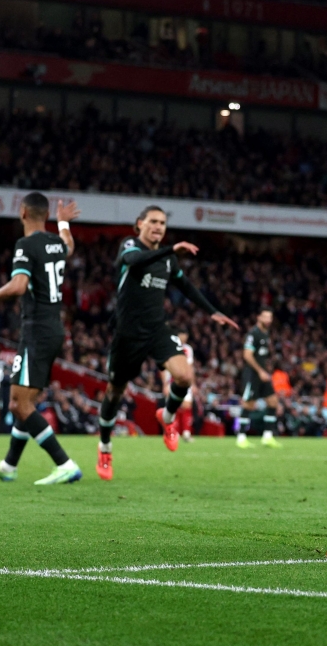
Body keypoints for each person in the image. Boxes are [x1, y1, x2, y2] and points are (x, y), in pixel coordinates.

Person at [96, 205, 238, 480]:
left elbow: (185, 285)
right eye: (153, 221)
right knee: (114, 392)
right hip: (128, 334)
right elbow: (134, 260)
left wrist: (212, 311)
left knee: (184, 376)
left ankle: (168, 416)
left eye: (162, 223)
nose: (158, 227)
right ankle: (104, 448)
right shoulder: (130, 246)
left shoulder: (168, 260)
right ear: (140, 224)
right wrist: (171, 249)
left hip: (157, 329)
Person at [0, 192, 82, 484]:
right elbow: (69, 245)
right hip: (54, 329)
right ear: (45, 215)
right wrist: (63, 224)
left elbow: (19, 285)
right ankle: (9, 466)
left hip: (36, 331)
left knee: (18, 405)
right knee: (24, 403)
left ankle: (65, 464)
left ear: (22, 213)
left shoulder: (25, 244)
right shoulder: (56, 242)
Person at [236, 307, 280, 448]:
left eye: (270, 317)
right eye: (265, 317)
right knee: (249, 404)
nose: (268, 320)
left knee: (273, 402)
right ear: (258, 317)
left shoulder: (265, 334)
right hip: (252, 374)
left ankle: (267, 436)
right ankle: (241, 437)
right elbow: (247, 355)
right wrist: (260, 371)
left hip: (263, 374)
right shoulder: (253, 334)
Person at [162, 326, 196, 443]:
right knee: (173, 407)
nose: (184, 339)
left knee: (187, 405)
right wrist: (165, 384)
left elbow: (190, 367)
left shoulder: (188, 349)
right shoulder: (169, 347)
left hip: (185, 381)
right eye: (183, 337)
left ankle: (186, 433)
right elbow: (163, 368)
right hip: (171, 381)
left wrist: (193, 384)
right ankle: (172, 433)